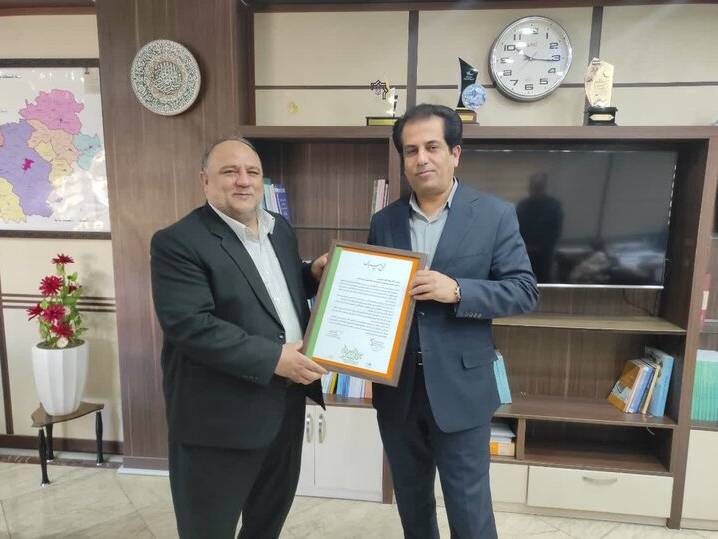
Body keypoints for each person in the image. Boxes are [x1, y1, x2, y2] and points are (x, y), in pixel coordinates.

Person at [368, 104, 538, 538]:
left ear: (455, 153)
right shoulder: (384, 221)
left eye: (432, 147)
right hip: (398, 392)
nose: (421, 158)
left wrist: (459, 290)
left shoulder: (495, 214)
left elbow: (524, 290)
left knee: (469, 511)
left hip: (462, 389)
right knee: (412, 505)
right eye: (410, 151)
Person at [150, 136, 328, 539]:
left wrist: (310, 276)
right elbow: (191, 325)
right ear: (205, 180)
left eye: (252, 172)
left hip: (283, 408)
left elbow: (265, 292)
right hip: (219, 421)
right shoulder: (178, 242)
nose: (243, 181)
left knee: (266, 524)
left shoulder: (279, 229)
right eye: (230, 172)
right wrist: (275, 358)